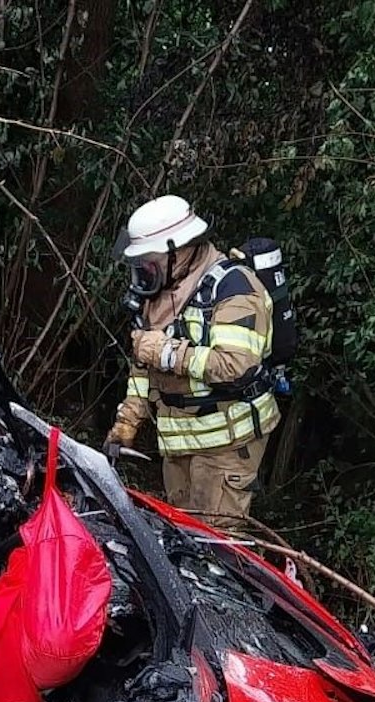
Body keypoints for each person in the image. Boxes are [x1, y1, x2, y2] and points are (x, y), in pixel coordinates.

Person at [102, 194, 280, 524]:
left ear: (179, 250)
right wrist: (128, 419)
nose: (144, 271)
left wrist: (168, 352)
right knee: (183, 539)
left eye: (150, 261)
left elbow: (235, 365)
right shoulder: (161, 293)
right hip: (178, 444)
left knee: (222, 549)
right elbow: (144, 363)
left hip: (227, 444)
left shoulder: (235, 288)